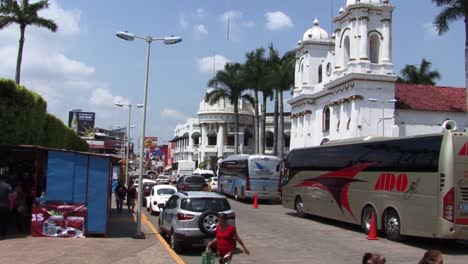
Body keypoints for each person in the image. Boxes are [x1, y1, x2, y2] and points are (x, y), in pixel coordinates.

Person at [0, 174, 12, 239]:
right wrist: (11, 206)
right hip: (4, 205)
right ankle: (3, 233)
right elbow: (10, 197)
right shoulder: (7, 186)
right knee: (4, 220)